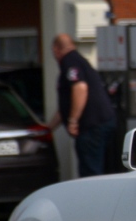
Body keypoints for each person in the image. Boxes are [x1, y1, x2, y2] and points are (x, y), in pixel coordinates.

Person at [47, 33, 116, 177]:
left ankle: (92, 199)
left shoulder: (69, 61)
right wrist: (49, 127)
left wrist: (73, 121)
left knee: (90, 173)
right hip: (102, 122)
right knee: (103, 169)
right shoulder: (79, 60)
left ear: (56, 49)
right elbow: (66, 105)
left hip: (91, 126)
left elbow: (80, 89)